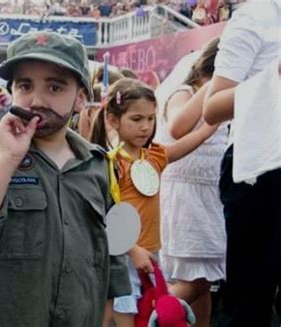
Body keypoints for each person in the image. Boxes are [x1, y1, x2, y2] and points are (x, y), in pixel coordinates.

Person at [0, 31, 131, 326]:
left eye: (55, 88)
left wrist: (109, 310)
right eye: (25, 85)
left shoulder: (98, 165)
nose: (37, 99)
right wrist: (8, 159)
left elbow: (111, 246)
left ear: (80, 99)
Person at [90, 78, 219, 327]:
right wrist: (133, 249)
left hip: (150, 249)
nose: (145, 127)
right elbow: (106, 214)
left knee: (142, 308)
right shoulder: (111, 163)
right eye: (137, 119)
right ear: (114, 120)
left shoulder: (155, 156)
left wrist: (208, 128)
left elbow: (182, 146)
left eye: (151, 119)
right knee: (121, 306)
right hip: (124, 253)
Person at [203, 1, 281, 325]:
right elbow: (212, 107)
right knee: (249, 304)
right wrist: (273, 77)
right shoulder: (256, 17)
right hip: (261, 173)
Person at [157, 37, 227, 326]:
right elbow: (177, 126)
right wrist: (219, 81)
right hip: (186, 197)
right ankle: (153, 316)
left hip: (210, 196)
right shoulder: (183, 92)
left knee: (205, 280)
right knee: (198, 280)